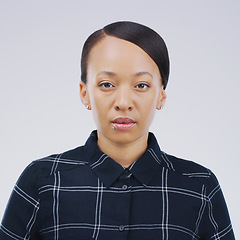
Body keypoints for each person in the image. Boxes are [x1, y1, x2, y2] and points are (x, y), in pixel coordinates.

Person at [0, 21, 235, 240]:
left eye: (141, 85)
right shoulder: (42, 181)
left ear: (161, 95)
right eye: (107, 85)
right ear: (84, 93)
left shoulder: (200, 187)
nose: (123, 102)